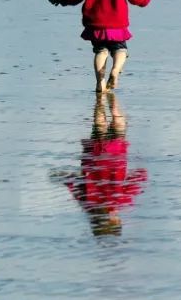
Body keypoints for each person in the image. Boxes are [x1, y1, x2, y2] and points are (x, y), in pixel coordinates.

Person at [63, 91, 148, 237]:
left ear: (115, 220)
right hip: (93, 153)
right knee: (99, 123)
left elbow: (141, 176)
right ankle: (101, 97)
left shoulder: (120, 200)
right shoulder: (87, 204)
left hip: (116, 151)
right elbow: (71, 182)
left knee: (118, 120)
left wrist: (140, 173)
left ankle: (111, 98)